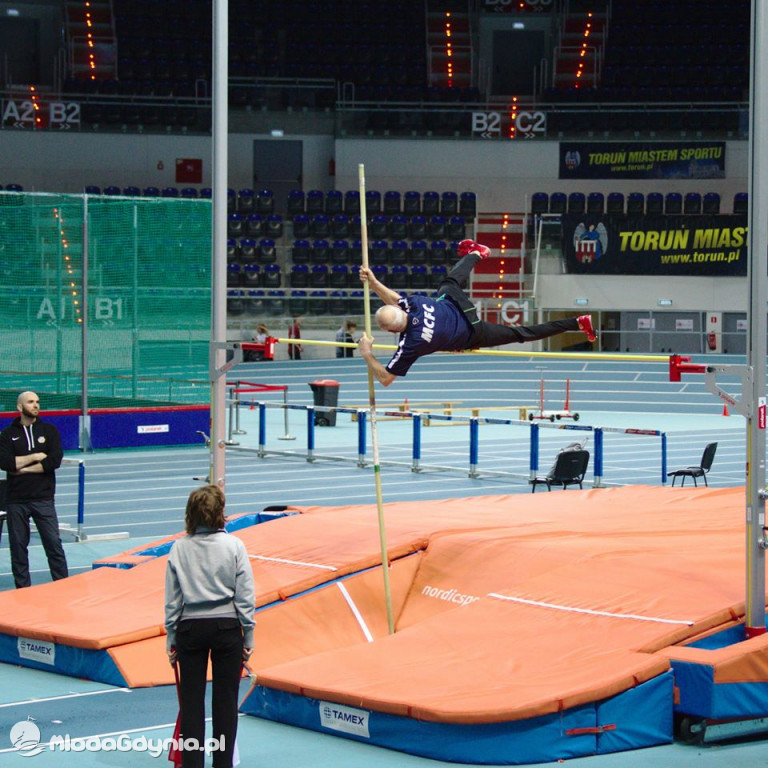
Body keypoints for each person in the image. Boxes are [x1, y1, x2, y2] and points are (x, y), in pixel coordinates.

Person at [357, 239, 596, 387]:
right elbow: (394, 300)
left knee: (522, 333)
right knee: (448, 283)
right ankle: (477, 252)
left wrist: (367, 354)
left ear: (391, 331)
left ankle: (577, 322)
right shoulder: (415, 303)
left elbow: (386, 379)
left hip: (473, 333)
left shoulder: (411, 344)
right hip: (459, 305)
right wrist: (374, 283)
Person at [164, 485, 255, 768]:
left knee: (191, 704)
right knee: (225, 704)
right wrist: (249, 634)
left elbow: (172, 599)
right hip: (226, 628)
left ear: (190, 514)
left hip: (190, 629)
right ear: (220, 513)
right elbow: (245, 595)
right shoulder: (234, 546)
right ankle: (222, 763)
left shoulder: (179, 548)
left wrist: (171, 636)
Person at [0, 391, 68, 589]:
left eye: (37, 402)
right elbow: (6, 463)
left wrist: (22, 468)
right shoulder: (7, 435)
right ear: (20, 407)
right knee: (18, 548)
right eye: (30, 402)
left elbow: (53, 461)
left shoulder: (49, 431)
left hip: (43, 498)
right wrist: (36, 456)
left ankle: (64, 586)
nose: (36, 405)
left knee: (53, 544)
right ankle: (23, 590)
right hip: (16, 500)